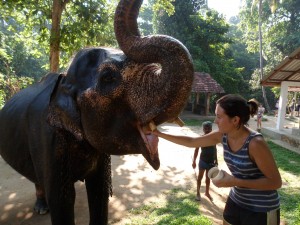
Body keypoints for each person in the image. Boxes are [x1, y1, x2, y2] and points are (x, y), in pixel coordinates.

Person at [147, 94, 282, 225]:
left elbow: (275, 182)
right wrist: (159, 134)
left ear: (235, 120)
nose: (215, 121)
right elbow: (192, 141)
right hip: (237, 200)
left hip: (262, 209)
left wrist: (234, 181)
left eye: (219, 117)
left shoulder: (255, 143)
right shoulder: (222, 135)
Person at [192, 121, 217, 202]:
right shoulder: (200, 139)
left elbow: (215, 149)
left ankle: (207, 192)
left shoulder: (213, 138)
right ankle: (198, 193)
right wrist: (194, 161)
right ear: (203, 129)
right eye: (205, 128)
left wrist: (216, 160)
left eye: (209, 128)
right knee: (200, 177)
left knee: (208, 178)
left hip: (211, 162)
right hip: (203, 161)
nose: (207, 130)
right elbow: (196, 150)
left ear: (211, 129)